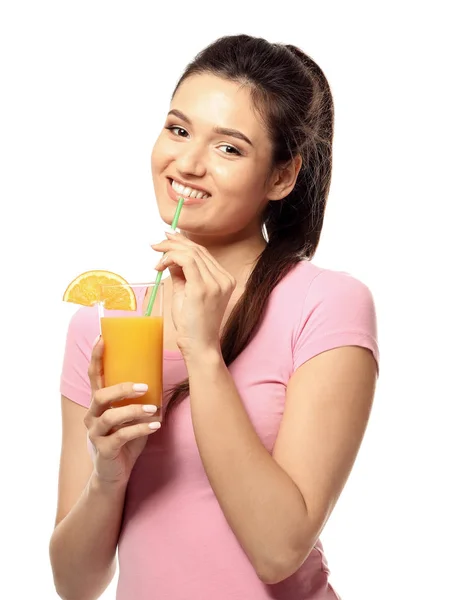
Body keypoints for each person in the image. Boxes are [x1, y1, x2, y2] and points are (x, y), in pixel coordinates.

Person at [49, 34, 379, 600]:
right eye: (178, 130)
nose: (188, 163)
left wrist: (203, 356)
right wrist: (109, 475)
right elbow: (75, 585)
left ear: (281, 177)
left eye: (229, 148)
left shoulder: (326, 305)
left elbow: (278, 549)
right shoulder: (105, 323)